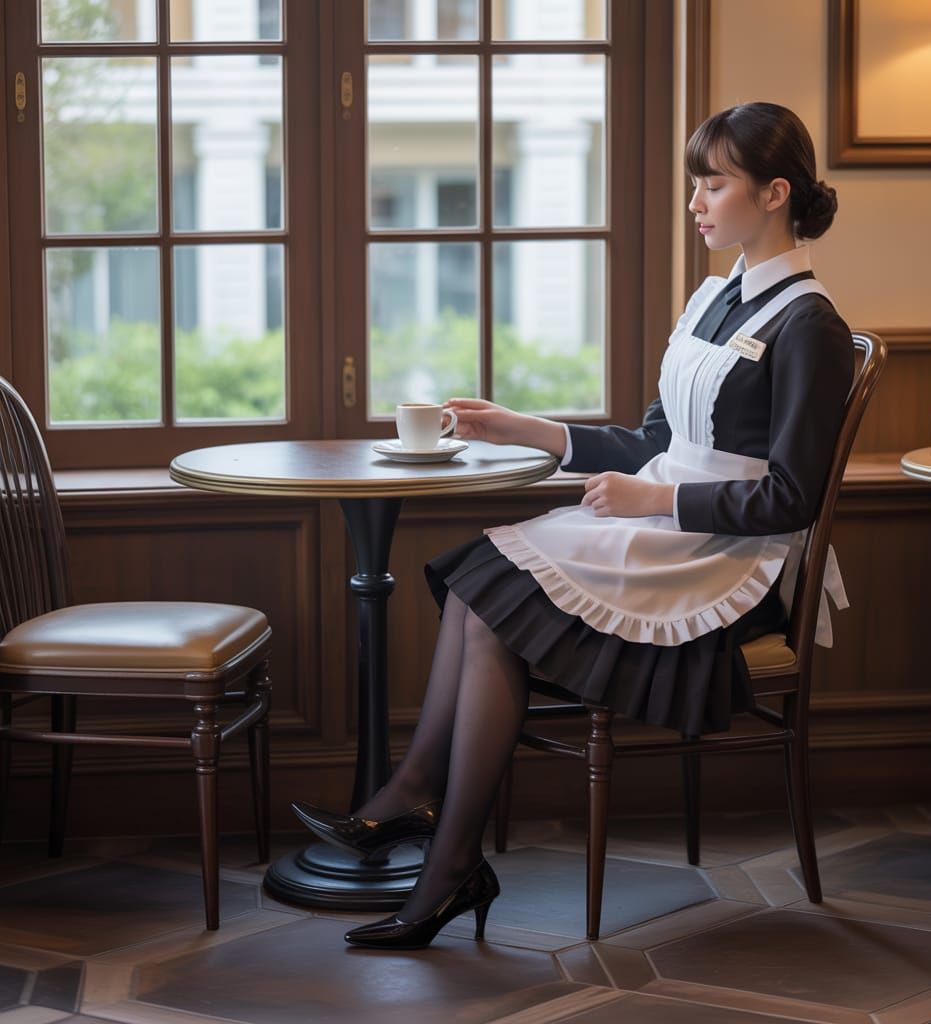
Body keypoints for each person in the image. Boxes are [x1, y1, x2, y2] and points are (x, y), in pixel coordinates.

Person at [294, 101, 855, 950]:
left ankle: (433, 841)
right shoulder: (716, 301)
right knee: (481, 585)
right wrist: (525, 427)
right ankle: (433, 831)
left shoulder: (811, 324)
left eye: (714, 185)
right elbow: (658, 442)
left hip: (732, 564)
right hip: (670, 532)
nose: (697, 202)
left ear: (775, 193)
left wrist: (653, 500)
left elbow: (790, 498)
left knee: (489, 596)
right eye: (695, 184)